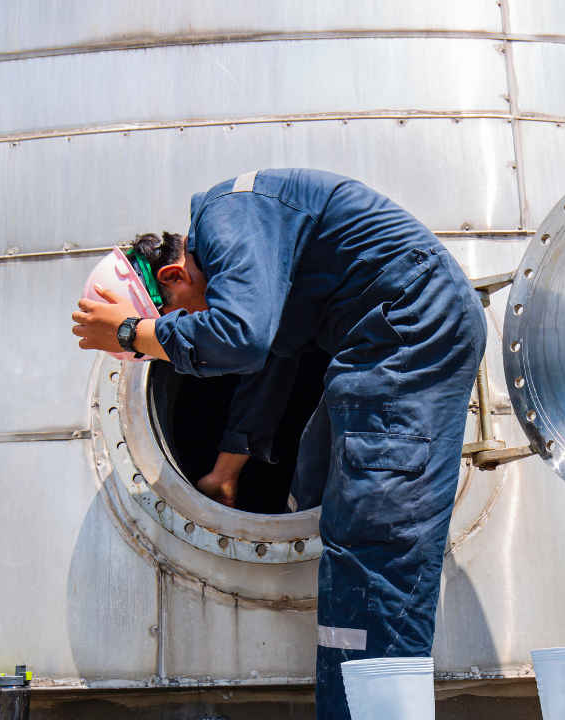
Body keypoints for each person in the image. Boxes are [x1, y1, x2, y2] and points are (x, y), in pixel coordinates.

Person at [72, 168, 485, 719]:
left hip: (406, 331)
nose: (186, 330)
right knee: (319, 487)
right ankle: (347, 703)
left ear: (173, 274)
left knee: (379, 534)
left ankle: (377, 709)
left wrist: (130, 334)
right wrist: (226, 470)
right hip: (374, 345)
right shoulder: (251, 248)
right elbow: (268, 364)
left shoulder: (227, 216)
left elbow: (238, 339)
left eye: (176, 320)